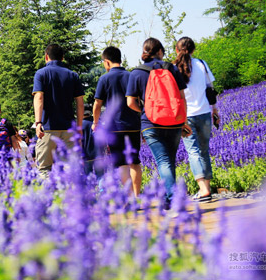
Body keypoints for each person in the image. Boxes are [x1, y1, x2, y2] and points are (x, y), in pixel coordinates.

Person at [126, 38, 191, 210]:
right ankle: (170, 199)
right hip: (174, 122)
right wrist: (184, 120)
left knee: (163, 161)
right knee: (169, 160)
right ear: (160, 51)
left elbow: (130, 102)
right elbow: (182, 97)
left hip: (151, 123)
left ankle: (173, 199)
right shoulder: (171, 68)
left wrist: (146, 111)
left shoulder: (136, 73)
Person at [174, 36, 220, 202]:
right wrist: (215, 111)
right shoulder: (202, 64)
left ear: (177, 50)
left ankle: (203, 189)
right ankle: (206, 188)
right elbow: (211, 90)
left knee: (193, 151)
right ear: (193, 50)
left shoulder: (173, 68)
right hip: (204, 113)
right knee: (204, 151)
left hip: (186, 116)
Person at [93, 46, 142, 196]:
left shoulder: (104, 79)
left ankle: (128, 198)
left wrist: (95, 123)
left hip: (114, 128)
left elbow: (97, 104)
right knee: (134, 161)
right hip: (134, 125)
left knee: (121, 164)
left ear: (107, 62)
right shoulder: (131, 76)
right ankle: (137, 196)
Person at [32, 43, 84, 177]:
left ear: (46, 57)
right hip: (69, 129)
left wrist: (38, 123)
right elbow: (80, 103)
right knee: (70, 169)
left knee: (45, 169)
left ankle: (49, 197)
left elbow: (39, 97)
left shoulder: (41, 73)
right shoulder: (73, 75)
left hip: (48, 128)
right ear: (63, 57)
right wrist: (78, 128)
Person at [82, 108, 100, 176]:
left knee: (88, 179)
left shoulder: (80, 124)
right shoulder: (97, 122)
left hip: (86, 155)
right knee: (101, 177)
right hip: (99, 154)